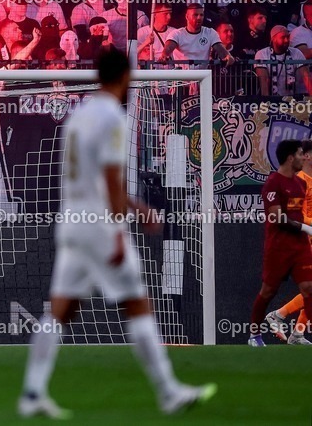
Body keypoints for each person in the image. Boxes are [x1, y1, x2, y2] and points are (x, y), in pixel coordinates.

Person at [18, 49, 216, 418]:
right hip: (99, 225)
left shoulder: (79, 115)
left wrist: (137, 208)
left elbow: (90, 176)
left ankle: (32, 393)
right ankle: (169, 391)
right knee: (138, 304)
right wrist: (119, 233)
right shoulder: (113, 117)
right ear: (125, 77)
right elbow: (110, 179)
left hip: (72, 221)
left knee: (60, 311)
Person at [248, 139, 312, 347]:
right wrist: (307, 228)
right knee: (268, 291)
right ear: (290, 158)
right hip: (279, 247)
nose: (303, 157)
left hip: (300, 246)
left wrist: (305, 229)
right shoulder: (273, 183)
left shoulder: (301, 184)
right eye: (300, 154)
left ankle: (298, 332)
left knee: (309, 288)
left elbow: (298, 215)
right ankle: (254, 335)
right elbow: (277, 217)